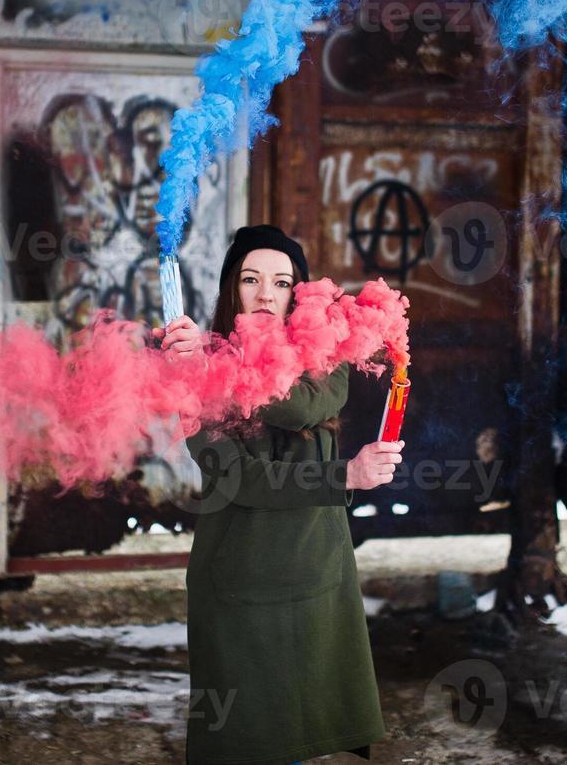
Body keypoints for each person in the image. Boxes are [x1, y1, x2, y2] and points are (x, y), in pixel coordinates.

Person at [155, 224, 402, 765]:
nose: (266, 293)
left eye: (282, 282)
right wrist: (346, 478)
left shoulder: (325, 361)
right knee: (247, 744)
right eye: (250, 279)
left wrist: (223, 364)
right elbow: (242, 480)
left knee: (299, 737)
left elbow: (301, 408)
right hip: (240, 583)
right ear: (231, 290)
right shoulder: (194, 374)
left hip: (315, 576)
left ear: (298, 294)